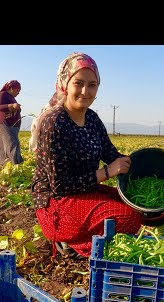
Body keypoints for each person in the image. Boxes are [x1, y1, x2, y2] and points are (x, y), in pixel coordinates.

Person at [30, 52, 144, 259]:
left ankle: (87, 236)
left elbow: (110, 154)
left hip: (85, 191)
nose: (85, 91)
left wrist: (142, 166)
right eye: (79, 83)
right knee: (130, 218)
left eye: (92, 85)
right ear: (65, 84)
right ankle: (69, 241)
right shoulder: (54, 123)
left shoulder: (91, 118)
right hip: (56, 203)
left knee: (137, 203)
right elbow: (61, 186)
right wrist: (108, 172)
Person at [0, 80, 23, 165]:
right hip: (6, 124)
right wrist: (10, 106)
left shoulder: (10, 97)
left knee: (7, 145)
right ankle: (16, 164)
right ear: (10, 88)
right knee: (12, 144)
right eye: (17, 90)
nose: (18, 93)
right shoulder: (3, 94)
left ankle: (5, 164)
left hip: (11, 125)